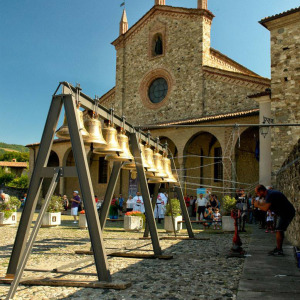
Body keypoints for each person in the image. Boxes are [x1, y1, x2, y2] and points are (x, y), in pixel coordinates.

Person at [254, 184, 295, 256]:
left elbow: (265, 208)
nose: (257, 195)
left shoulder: (270, 194)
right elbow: (266, 203)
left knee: (279, 230)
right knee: (279, 230)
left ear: (261, 191)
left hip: (286, 213)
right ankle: (278, 248)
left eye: (257, 193)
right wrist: (258, 203)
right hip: (285, 212)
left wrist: (257, 205)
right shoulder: (269, 194)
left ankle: (279, 250)